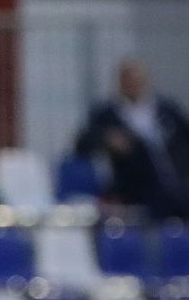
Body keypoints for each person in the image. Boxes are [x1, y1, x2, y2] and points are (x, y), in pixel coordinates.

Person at [74, 59, 189, 218]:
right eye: (129, 80)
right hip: (133, 190)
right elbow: (82, 144)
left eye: (138, 80)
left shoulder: (168, 111)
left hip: (177, 187)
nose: (134, 84)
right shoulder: (107, 115)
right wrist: (107, 139)